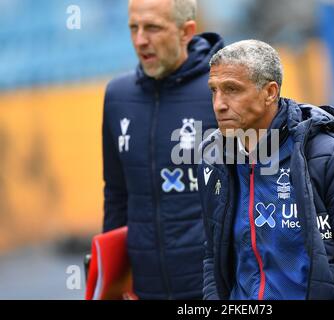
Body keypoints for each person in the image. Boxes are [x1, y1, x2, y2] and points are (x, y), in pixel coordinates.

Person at [198, 40, 334, 300]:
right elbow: (214, 258)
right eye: (214, 91)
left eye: (232, 89)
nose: (219, 104)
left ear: (270, 92)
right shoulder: (215, 161)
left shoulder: (330, 155)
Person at [102, 0, 223, 299]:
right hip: (146, 289)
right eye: (134, 28)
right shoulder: (117, 97)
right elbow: (116, 193)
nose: (141, 40)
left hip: (213, 290)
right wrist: (111, 278)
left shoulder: (222, 91)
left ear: (187, 31)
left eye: (153, 28)